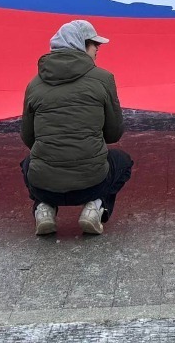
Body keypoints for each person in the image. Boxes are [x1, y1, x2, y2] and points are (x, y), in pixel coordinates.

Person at [21, 19, 132, 236]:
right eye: (94, 43)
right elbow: (114, 134)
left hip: (44, 186)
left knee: (28, 163)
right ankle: (95, 206)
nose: (98, 48)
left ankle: (44, 207)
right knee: (122, 161)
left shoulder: (34, 85)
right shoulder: (103, 79)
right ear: (80, 45)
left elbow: (28, 138)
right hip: (92, 184)